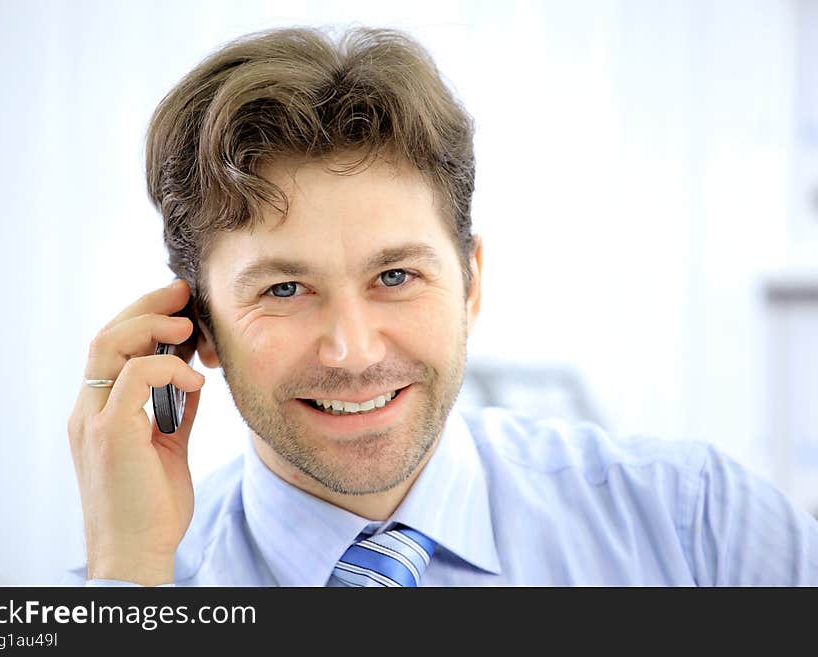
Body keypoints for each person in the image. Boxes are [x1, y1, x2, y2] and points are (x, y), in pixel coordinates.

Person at [65, 26, 818, 587]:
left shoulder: (697, 529)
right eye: (284, 289)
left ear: (472, 284)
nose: (351, 352)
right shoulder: (131, 588)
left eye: (394, 275)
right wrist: (131, 570)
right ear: (200, 330)